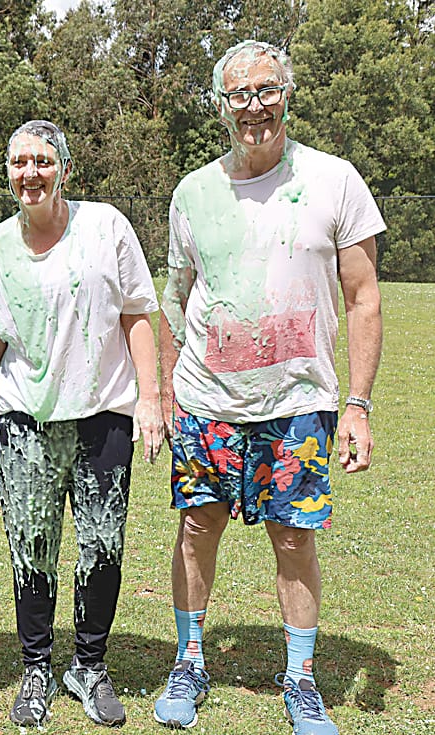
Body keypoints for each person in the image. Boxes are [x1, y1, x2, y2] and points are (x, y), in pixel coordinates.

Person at [151, 40, 383, 735]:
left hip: (296, 403)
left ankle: (301, 680)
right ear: (221, 106)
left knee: (293, 537)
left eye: (265, 90)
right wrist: (164, 397)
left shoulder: (336, 180)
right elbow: (173, 298)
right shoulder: (193, 191)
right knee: (198, 527)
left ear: (287, 92)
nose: (254, 107)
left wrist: (360, 405)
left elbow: (365, 297)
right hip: (207, 401)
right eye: (239, 95)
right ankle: (190, 658)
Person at [0, 120, 161, 728]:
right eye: (19, 162)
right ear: (8, 172)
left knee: (102, 545)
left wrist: (151, 399)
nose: (31, 173)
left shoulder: (106, 226)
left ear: (65, 170)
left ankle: (89, 664)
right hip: (26, 418)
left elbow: (136, 314)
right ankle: (35, 669)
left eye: (43, 161)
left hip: (104, 411)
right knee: (32, 549)